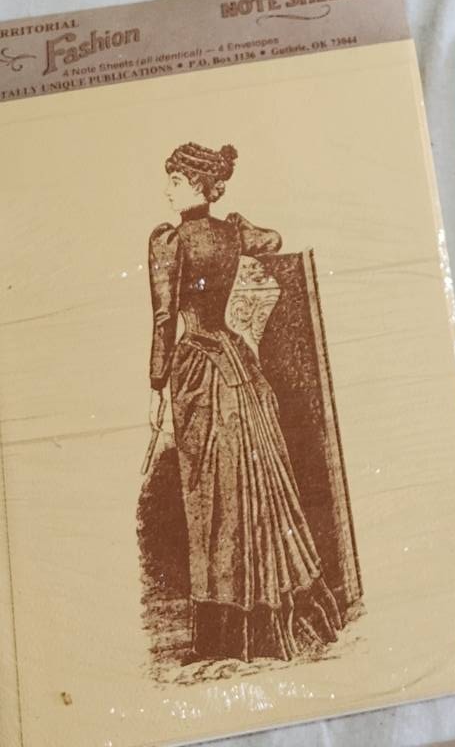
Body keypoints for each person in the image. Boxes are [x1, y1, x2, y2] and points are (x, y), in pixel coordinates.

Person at [146, 141, 342, 662]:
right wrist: (237, 222)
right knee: (247, 491)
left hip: (197, 369)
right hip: (238, 364)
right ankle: (260, 621)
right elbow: (272, 239)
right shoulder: (232, 232)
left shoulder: (168, 241)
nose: (167, 190)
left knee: (211, 502)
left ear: (197, 186)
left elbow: (164, 320)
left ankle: (222, 635)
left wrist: (156, 386)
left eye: (175, 181)